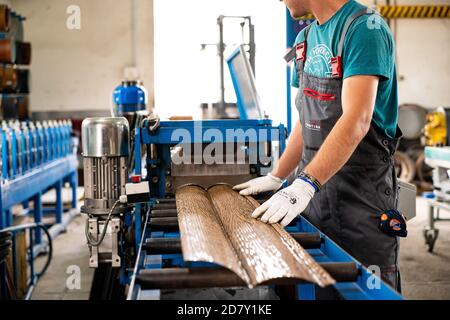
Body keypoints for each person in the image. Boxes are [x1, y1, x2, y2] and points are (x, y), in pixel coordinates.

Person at [234, 0, 402, 291]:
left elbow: (357, 119)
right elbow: (306, 118)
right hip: (315, 201)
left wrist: (305, 184)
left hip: (360, 203)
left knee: (364, 291)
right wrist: (279, 176)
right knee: (317, 288)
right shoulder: (305, 39)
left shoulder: (364, 29)